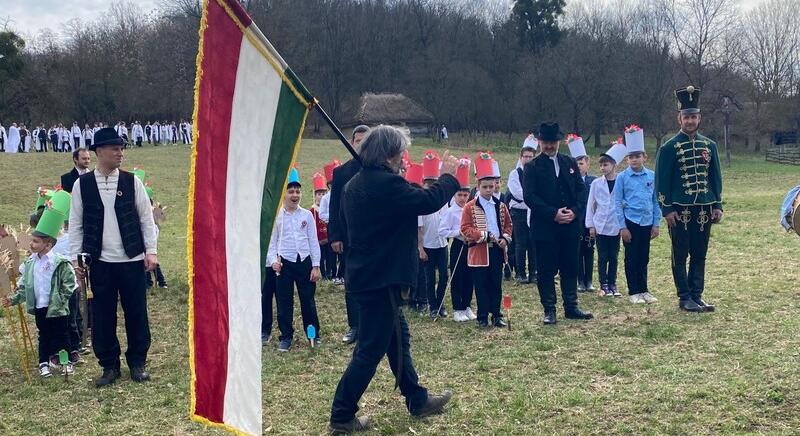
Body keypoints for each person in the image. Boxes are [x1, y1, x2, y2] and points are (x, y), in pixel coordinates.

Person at [328, 125, 457, 434]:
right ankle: (341, 414)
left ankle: (417, 399)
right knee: (370, 351)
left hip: (368, 277)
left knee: (398, 339)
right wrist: (450, 176)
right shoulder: (386, 185)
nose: (404, 158)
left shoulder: (355, 184)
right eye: (401, 152)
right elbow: (427, 200)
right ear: (387, 155)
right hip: (380, 280)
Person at [69, 127, 159, 387]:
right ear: (99, 152)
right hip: (100, 261)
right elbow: (75, 224)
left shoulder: (132, 182)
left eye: (121, 148)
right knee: (103, 315)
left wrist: (150, 251)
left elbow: (146, 217)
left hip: (131, 260)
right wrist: (77, 259)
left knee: (136, 313)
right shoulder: (82, 185)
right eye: (114, 148)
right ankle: (109, 365)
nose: (120, 153)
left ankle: (137, 362)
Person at [656, 86, 723, 313]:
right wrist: (666, 209)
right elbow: (661, 181)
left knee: (700, 253)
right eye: (687, 117)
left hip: (704, 208)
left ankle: (697, 294)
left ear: (699, 118)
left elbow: (715, 178)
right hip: (680, 209)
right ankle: (684, 296)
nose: (690, 121)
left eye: (694, 117)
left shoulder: (709, 146)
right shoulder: (669, 147)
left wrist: (717, 204)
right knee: (680, 253)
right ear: (679, 119)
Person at [523, 122, 593, 325]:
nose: (549, 146)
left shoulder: (570, 163)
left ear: (559, 142)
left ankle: (571, 306)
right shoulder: (531, 167)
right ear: (540, 143)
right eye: (545, 142)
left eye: (552, 142)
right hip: (545, 227)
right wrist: (553, 214)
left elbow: (581, 191)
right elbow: (530, 197)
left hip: (570, 226)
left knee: (570, 266)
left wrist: (575, 212)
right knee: (546, 269)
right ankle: (549, 309)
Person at [2, 202, 77, 378]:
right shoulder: (30, 264)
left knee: (62, 334)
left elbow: (69, 282)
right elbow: (24, 287)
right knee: (44, 335)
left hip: (58, 308)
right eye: (32, 240)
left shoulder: (60, 262)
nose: (32, 244)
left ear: (48, 244)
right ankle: (44, 363)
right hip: (40, 307)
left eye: (36, 241)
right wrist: (12, 300)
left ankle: (65, 362)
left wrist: (61, 298)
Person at [267, 169, 322, 352]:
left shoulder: (306, 216)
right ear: (284, 194)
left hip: (304, 262)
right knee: (284, 301)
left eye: (297, 191)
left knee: (308, 299)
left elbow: (314, 241)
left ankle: (312, 333)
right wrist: (273, 260)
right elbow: (271, 243)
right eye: (291, 191)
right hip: (284, 263)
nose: (295, 195)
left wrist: (315, 266)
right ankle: (286, 336)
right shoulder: (278, 217)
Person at [461, 152, 513, 329]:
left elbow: (508, 225)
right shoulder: (470, 206)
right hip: (479, 251)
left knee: (496, 284)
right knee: (481, 285)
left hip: (497, 250)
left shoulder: (501, 205)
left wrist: (505, 239)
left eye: (492, 186)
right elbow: (465, 228)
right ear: (478, 186)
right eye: (485, 187)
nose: (489, 190)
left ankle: (496, 315)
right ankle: (482, 316)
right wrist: (483, 235)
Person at [329, 124, 370, 345]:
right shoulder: (341, 173)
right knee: (351, 282)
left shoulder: (378, 170)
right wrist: (335, 236)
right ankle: (355, 325)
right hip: (348, 238)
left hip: (374, 239)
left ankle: (371, 325)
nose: (361, 145)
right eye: (357, 140)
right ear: (351, 142)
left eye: (366, 141)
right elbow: (334, 207)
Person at [615, 125, 661, 304]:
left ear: (644, 157)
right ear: (627, 159)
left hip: (647, 221)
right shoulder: (622, 178)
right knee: (632, 257)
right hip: (631, 222)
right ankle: (634, 290)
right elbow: (617, 203)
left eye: (637, 156)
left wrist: (656, 223)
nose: (634, 160)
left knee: (644, 257)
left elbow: (656, 201)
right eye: (631, 157)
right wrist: (622, 227)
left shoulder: (651, 176)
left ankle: (644, 289)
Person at [586, 142, 627, 297]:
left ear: (614, 165)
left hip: (616, 225)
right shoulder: (596, 183)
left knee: (614, 256)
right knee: (602, 256)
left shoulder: (621, 181)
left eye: (606, 164)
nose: (603, 168)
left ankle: (612, 283)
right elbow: (591, 205)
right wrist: (590, 225)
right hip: (601, 224)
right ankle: (603, 283)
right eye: (601, 165)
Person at [438, 158, 476, 322]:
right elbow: (442, 230)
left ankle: (467, 306)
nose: (462, 198)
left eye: (465, 195)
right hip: (458, 245)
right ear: (454, 195)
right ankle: (457, 308)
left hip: (471, 247)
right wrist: (458, 232)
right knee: (457, 277)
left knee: (470, 277)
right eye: (459, 195)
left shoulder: (473, 208)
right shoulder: (451, 211)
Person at [419, 150, 449, 319]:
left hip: (442, 244)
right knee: (430, 278)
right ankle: (432, 305)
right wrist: (420, 248)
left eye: (433, 183)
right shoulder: (422, 202)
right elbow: (419, 228)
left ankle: (441, 303)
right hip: (428, 245)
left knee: (444, 276)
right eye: (428, 183)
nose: (430, 186)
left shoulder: (442, 201)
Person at [567, 134, 596, 292]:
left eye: (581, 163)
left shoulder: (594, 181)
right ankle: (580, 281)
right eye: (576, 163)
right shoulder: (569, 181)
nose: (579, 166)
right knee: (577, 252)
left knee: (589, 250)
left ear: (587, 164)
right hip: (576, 222)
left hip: (590, 222)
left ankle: (589, 280)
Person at [506, 142, 538, 284]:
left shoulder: (537, 172)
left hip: (534, 211)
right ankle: (520, 273)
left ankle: (533, 273)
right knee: (520, 243)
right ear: (521, 157)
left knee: (533, 243)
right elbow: (517, 193)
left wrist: (533, 198)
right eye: (525, 156)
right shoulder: (515, 173)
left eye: (531, 156)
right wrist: (532, 197)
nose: (528, 159)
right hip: (518, 212)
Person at [319, 159, 340, 280]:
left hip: (343, 225)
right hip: (331, 226)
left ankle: (340, 273)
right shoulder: (326, 198)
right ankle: (331, 272)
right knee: (332, 251)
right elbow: (322, 214)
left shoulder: (343, 194)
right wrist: (334, 218)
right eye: (332, 184)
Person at [310, 172, 331, 281]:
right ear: (315, 196)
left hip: (329, 238)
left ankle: (329, 273)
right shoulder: (312, 211)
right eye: (319, 194)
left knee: (329, 257)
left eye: (323, 194)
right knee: (321, 257)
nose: (321, 196)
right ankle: (323, 274)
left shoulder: (329, 210)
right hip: (318, 240)